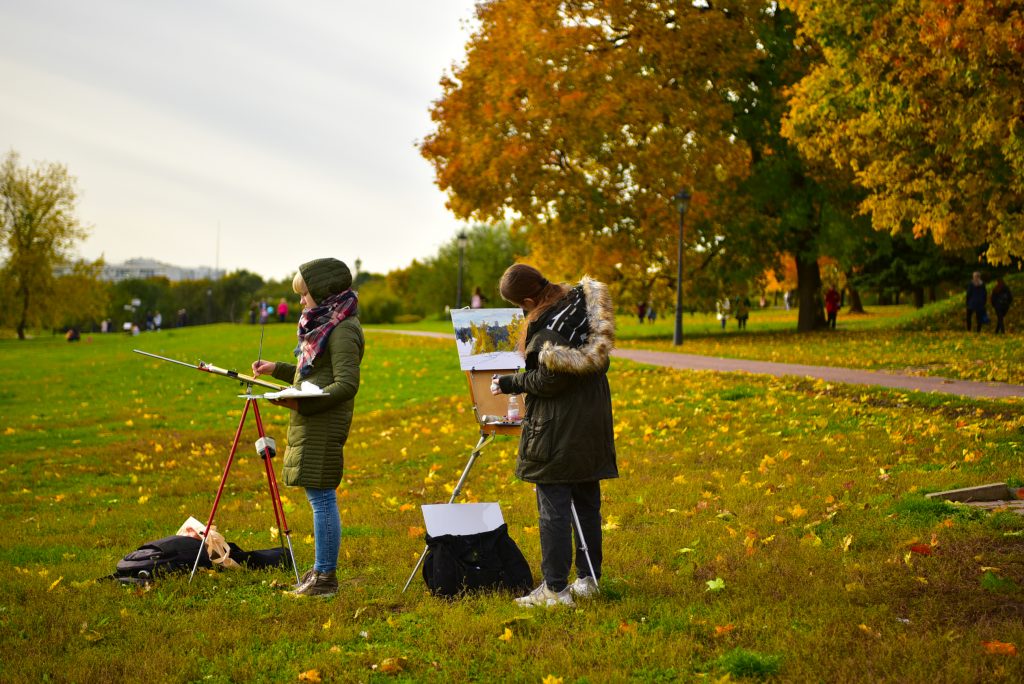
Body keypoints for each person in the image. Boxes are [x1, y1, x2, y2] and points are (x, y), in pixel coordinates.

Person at [491, 264, 617, 608]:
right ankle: (588, 579)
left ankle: (556, 589)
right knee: (587, 501)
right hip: (591, 422)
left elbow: (549, 382)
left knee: (554, 507)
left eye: (520, 306)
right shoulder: (578, 302)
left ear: (530, 299)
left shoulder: (547, 333)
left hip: (558, 427)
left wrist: (510, 383)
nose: (521, 313)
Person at [251, 258, 364, 597]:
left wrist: (301, 402)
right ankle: (319, 574)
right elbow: (314, 373)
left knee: (322, 498)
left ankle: (325, 579)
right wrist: (277, 369)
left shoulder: (343, 328)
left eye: (304, 294)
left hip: (323, 421)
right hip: (312, 419)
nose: (301, 301)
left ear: (322, 292)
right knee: (318, 496)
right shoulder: (324, 324)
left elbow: (346, 384)